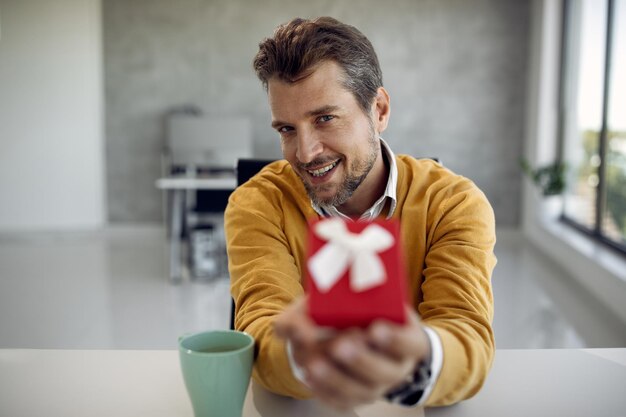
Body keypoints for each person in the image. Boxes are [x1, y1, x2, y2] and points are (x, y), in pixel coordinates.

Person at [224, 16, 496, 409]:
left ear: (379, 110)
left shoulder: (453, 203)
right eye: (286, 129)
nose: (305, 152)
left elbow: (467, 335)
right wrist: (304, 355)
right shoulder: (257, 204)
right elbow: (259, 328)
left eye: (324, 118)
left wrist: (417, 358)